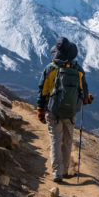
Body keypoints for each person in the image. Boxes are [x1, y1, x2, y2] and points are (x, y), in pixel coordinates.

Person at [36, 37, 93, 183]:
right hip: (71, 113)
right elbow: (84, 94)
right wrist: (86, 99)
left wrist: (40, 110)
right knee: (67, 141)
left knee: (55, 140)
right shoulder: (78, 70)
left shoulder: (51, 69)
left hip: (53, 111)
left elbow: (42, 91)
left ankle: (57, 172)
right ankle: (66, 170)